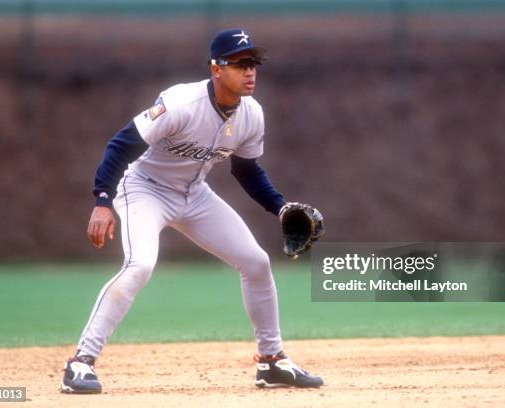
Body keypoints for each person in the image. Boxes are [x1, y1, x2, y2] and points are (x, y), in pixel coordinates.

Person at [60, 28, 323, 394]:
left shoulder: (251, 114)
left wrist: (279, 208)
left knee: (257, 262)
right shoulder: (181, 102)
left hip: (195, 195)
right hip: (143, 190)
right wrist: (103, 200)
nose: (250, 72)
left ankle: (272, 361)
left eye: (254, 64)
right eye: (240, 64)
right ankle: (80, 364)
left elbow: (246, 171)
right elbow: (121, 145)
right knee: (140, 266)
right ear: (216, 69)